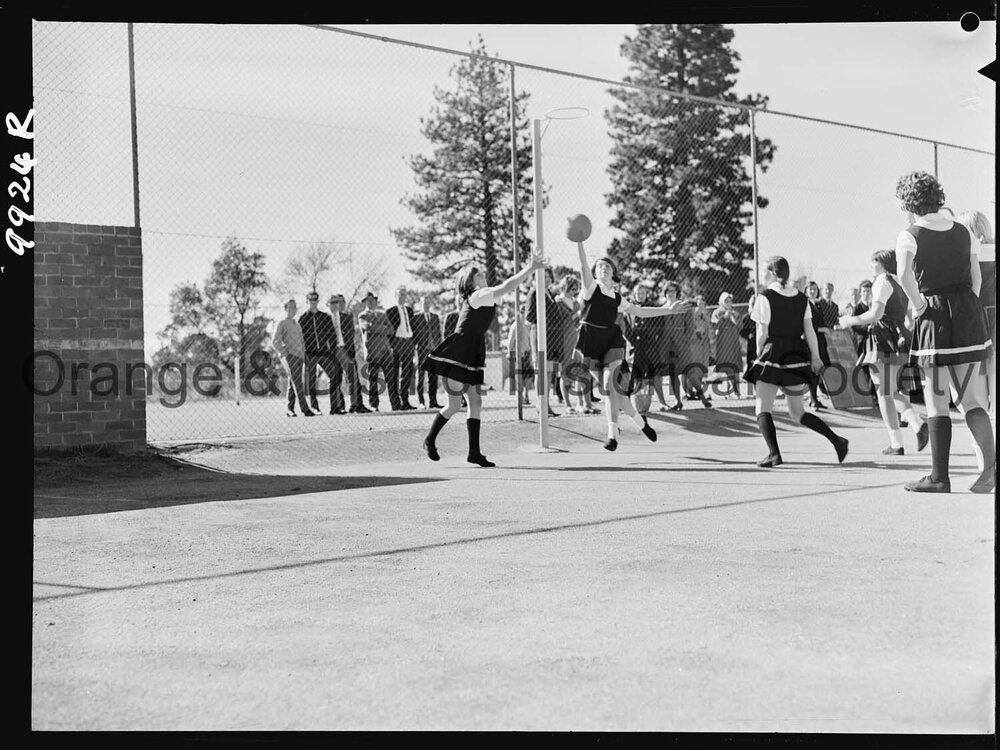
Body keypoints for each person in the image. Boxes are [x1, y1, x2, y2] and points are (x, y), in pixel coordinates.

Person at [893, 172, 994, 493]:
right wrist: (966, 308)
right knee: (974, 400)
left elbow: (903, 275)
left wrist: (920, 306)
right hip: (968, 315)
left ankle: (939, 477)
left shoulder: (909, 235)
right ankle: (991, 468)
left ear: (909, 203)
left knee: (936, 400)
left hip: (934, 318)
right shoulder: (965, 231)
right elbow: (976, 280)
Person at [420, 254, 549, 467]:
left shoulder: (487, 296)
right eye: (478, 274)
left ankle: (474, 453)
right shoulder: (478, 295)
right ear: (470, 282)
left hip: (473, 351)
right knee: (453, 404)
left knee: (475, 401)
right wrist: (531, 268)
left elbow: (509, 287)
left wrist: (532, 274)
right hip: (459, 351)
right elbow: (509, 284)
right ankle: (430, 439)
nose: (483, 275)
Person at [572, 240, 686, 451]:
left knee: (609, 386)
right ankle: (642, 424)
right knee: (617, 396)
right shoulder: (589, 288)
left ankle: (612, 436)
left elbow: (641, 311)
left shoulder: (616, 297)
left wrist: (668, 309)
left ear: (613, 274)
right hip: (590, 341)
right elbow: (582, 265)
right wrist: (579, 241)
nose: (603, 268)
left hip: (612, 341)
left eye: (607, 266)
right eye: (599, 266)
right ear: (595, 273)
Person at [744, 257, 849, 468]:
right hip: (795, 357)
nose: (761, 275)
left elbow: (761, 332)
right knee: (797, 412)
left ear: (773, 273)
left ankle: (774, 454)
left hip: (773, 355)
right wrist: (816, 357)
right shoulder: (802, 299)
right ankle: (838, 441)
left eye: (764, 271)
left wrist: (759, 353)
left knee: (762, 408)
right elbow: (809, 330)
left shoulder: (764, 297)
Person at [838, 250, 928, 455]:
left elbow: (876, 314)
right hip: (898, 339)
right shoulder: (900, 282)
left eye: (874, 263)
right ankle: (915, 424)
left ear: (883, 264)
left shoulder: (882, 281)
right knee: (892, 391)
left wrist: (850, 320)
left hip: (882, 339)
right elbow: (908, 318)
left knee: (884, 393)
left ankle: (899, 440)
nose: (872, 267)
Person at [526, 268, 572, 417]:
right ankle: (541, 405)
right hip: (541, 336)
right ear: (534, 279)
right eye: (542, 276)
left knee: (549, 372)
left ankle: (545, 405)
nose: (545, 279)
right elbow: (529, 316)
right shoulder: (535, 292)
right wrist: (545, 324)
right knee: (542, 371)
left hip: (553, 339)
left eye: (547, 276)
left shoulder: (550, 294)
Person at [623, 284, 669, 414]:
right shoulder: (629, 308)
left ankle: (662, 402)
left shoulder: (652, 308)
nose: (640, 295)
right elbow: (625, 327)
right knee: (634, 375)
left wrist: (654, 337)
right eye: (638, 293)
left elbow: (660, 325)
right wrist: (633, 340)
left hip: (650, 346)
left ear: (646, 294)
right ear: (634, 294)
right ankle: (628, 404)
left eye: (643, 293)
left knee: (654, 374)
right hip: (635, 347)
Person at [555, 274, 596, 415]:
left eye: (576, 289)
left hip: (578, 339)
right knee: (565, 373)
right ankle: (567, 405)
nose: (574, 291)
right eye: (572, 288)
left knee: (583, 372)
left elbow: (580, 318)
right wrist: (576, 315)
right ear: (566, 287)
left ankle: (585, 404)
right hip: (565, 341)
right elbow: (559, 320)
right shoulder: (558, 301)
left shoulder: (575, 302)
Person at [358, 291, 402, 412]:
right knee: (373, 380)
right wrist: (382, 328)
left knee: (391, 379)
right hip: (373, 352)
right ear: (365, 302)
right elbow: (368, 328)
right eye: (368, 301)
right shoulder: (362, 315)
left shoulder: (382, 315)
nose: (371, 302)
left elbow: (391, 330)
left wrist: (378, 327)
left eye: (373, 300)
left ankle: (395, 404)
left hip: (386, 351)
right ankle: (374, 405)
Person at [326, 294, 370, 414]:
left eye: (340, 302)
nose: (338, 304)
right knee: (336, 378)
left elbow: (351, 335)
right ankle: (338, 406)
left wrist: (350, 351)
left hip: (347, 350)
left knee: (353, 377)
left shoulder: (347, 317)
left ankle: (356, 405)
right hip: (334, 350)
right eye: (335, 302)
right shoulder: (326, 318)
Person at [271, 299, 315, 417]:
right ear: (285, 308)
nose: (293, 310)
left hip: (299, 357)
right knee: (298, 382)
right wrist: (284, 353)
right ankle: (305, 409)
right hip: (289, 357)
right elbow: (275, 341)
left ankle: (290, 409)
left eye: (295, 307)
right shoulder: (281, 322)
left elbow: (302, 342)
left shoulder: (297, 324)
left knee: (293, 382)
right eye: (290, 307)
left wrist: (304, 355)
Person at [299, 290, 337, 414]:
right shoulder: (303, 318)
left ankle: (335, 407)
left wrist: (331, 350)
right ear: (307, 301)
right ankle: (315, 407)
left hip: (324, 353)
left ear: (318, 301)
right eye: (311, 300)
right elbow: (300, 338)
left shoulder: (325, 317)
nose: (313, 302)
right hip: (310, 353)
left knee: (334, 376)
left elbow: (332, 335)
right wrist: (303, 352)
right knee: (311, 381)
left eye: (315, 299)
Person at [386, 286, 417, 411]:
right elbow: (389, 330)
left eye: (404, 294)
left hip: (408, 342)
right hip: (397, 342)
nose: (402, 297)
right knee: (394, 373)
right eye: (400, 294)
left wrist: (413, 342)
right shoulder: (390, 311)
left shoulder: (409, 310)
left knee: (407, 373)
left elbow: (413, 326)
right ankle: (395, 402)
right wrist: (392, 345)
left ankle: (405, 401)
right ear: (395, 296)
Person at [660, 281, 687, 410]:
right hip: (666, 346)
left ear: (677, 292)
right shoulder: (662, 308)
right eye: (668, 291)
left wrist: (685, 341)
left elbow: (690, 327)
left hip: (680, 345)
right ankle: (677, 401)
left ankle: (696, 396)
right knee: (672, 372)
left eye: (673, 291)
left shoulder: (683, 307)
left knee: (686, 370)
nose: (671, 294)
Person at [804, 281, 831, 410]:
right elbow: (809, 326)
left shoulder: (818, 305)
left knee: (819, 370)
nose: (813, 291)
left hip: (820, 341)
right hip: (811, 341)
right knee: (813, 371)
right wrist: (822, 329)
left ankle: (814, 399)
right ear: (806, 291)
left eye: (815, 289)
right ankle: (813, 399)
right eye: (810, 289)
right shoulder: (805, 304)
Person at [412, 295, 443, 409]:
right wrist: (415, 351)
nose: (426, 304)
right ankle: (421, 401)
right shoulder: (416, 317)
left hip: (433, 350)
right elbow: (414, 336)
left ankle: (433, 401)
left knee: (433, 377)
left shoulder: (435, 317)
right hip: (421, 350)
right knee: (421, 376)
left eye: (428, 302)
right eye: (424, 302)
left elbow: (438, 334)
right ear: (421, 304)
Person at [711, 292, 743, 398]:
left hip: (733, 342)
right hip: (723, 343)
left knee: (735, 367)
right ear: (721, 302)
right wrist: (724, 317)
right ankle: (732, 392)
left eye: (730, 301)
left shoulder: (735, 313)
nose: (729, 303)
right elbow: (714, 327)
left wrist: (732, 318)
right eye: (726, 301)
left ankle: (734, 391)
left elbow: (740, 328)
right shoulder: (717, 312)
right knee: (728, 367)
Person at [506, 303, 534, 406]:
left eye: (525, 311)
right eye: (522, 312)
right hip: (518, 354)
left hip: (527, 353)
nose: (523, 314)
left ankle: (526, 395)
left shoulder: (528, 325)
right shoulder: (515, 325)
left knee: (529, 376)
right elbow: (510, 340)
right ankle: (521, 396)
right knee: (519, 377)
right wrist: (510, 352)